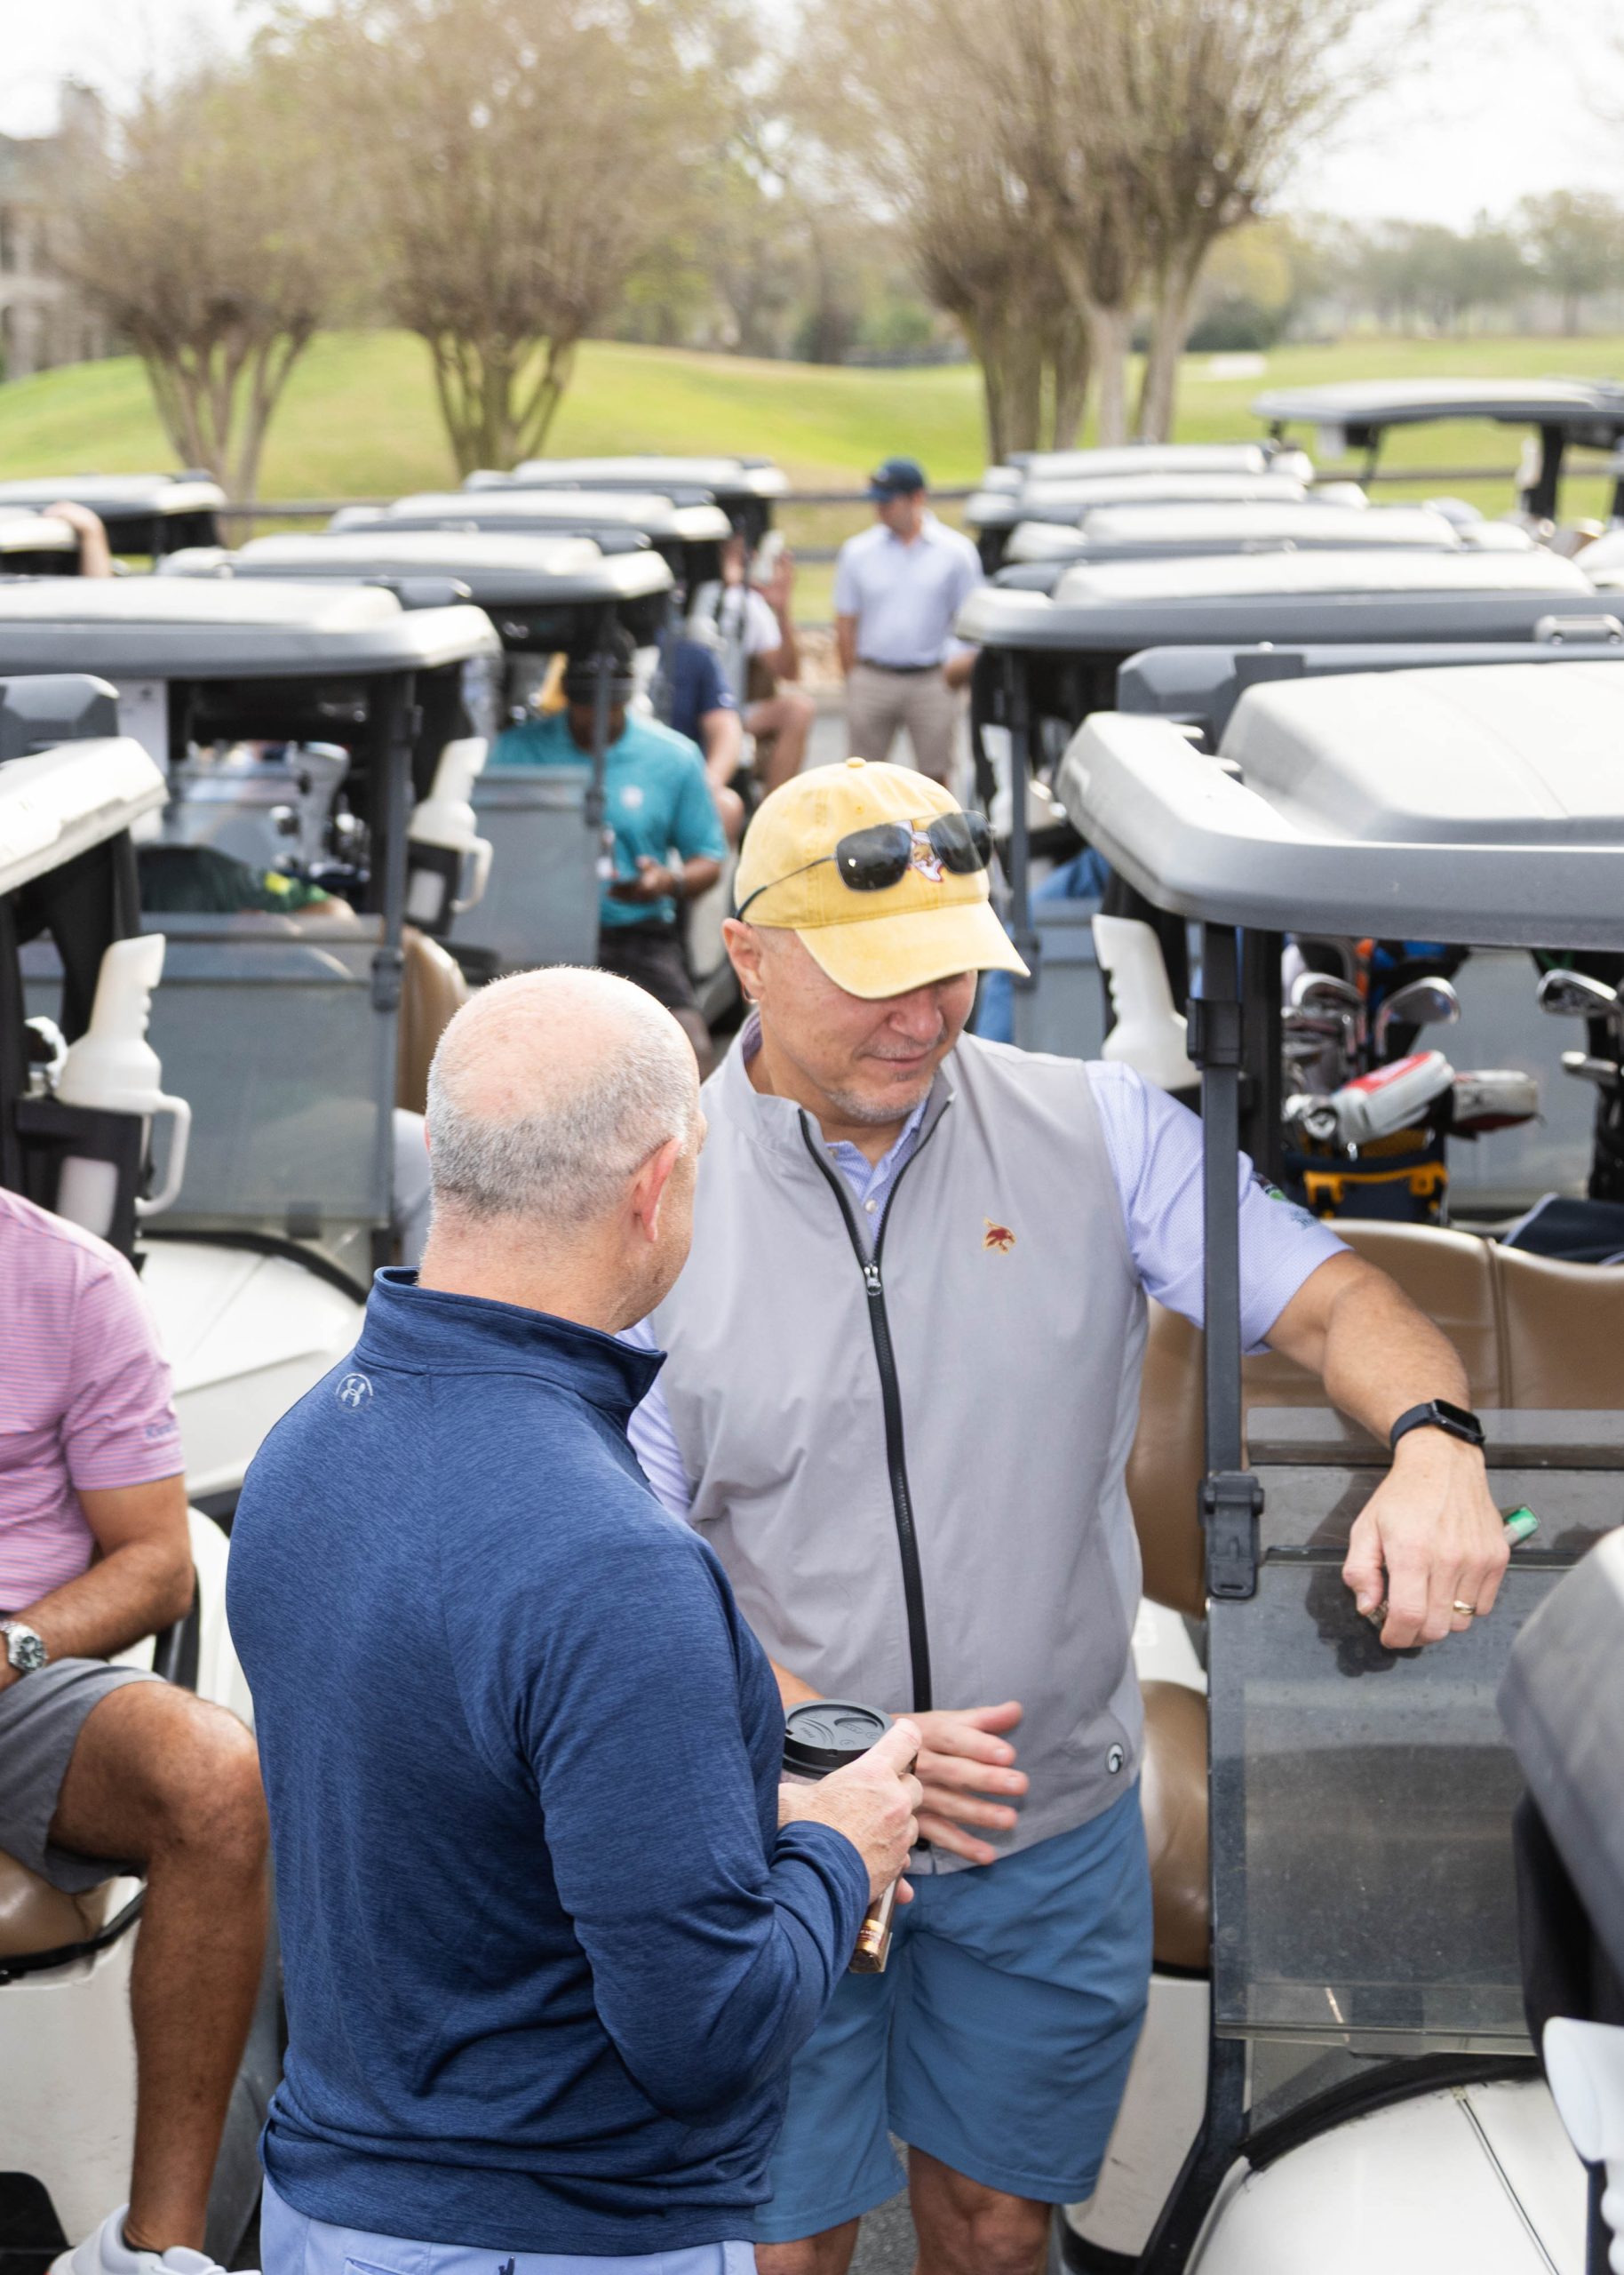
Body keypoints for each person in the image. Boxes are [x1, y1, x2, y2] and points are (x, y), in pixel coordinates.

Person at [625, 757, 1513, 2275]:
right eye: (876, 978)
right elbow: (626, 1561)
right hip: (771, 1831)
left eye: (952, 970)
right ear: (749, 956)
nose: (924, 1017)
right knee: (777, 2251)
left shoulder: (1098, 1131)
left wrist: (1437, 1443)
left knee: (994, 2229)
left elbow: (1335, 1300)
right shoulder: (653, 1196)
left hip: (1044, 1827)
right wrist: (821, 1747)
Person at [226, 967, 923, 2275]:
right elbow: (705, 2032)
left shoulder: (303, 1448)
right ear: (656, 1185)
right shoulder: (617, 1565)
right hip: (553, 2238)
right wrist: (843, 1842)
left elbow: (454, 1810)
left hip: (327, 2212)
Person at [0, 1188, 268, 2275]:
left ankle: (156, 2251)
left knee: (218, 1776)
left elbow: (158, 1563)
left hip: (14, 1676)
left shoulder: (69, 1279)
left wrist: (12, 1645)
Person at [490, 630, 727, 1071]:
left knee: (689, 1046)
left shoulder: (673, 757)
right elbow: (490, 844)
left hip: (633, 931)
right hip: (536, 929)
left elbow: (708, 858)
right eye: (584, 705)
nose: (595, 718)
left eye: (608, 705)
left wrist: (668, 882)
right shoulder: (517, 750)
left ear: (626, 697)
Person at [832, 459, 983, 787]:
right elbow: (845, 621)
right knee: (861, 779)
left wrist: (955, 668)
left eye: (889, 502)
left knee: (935, 776)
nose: (880, 510)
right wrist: (853, 678)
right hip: (873, 675)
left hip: (932, 677)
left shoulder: (956, 552)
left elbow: (971, 619)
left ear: (917, 498)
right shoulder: (857, 551)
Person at [691, 534, 815, 794]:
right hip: (680, 704)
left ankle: (772, 806)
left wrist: (782, 610)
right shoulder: (692, 593)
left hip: (728, 708)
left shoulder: (746, 601)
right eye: (730, 551)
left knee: (798, 709)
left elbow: (787, 671)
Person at [664, 632, 747, 845]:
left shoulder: (690, 654)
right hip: (617, 777)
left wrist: (710, 781)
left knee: (726, 805)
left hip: (681, 780)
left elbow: (726, 728)